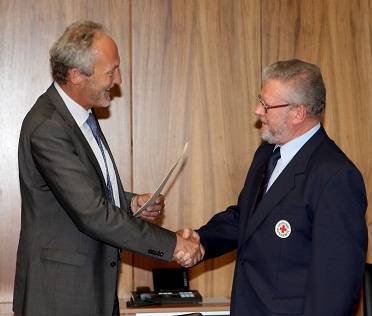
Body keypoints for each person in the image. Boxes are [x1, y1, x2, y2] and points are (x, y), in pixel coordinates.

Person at [13, 20, 203, 316]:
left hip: (91, 292)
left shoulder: (79, 118)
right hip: (60, 297)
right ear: (77, 75)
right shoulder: (49, 127)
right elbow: (92, 214)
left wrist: (130, 203)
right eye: (111, 71)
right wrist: (173, 244)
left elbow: (84, 192)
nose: (118, 80)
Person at [179, 59, 368, 315]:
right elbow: (246, 217)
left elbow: (335, 286)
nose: (257, 110)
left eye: (266, 105)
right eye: (260, 100)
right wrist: (202, 240)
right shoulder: (267, 154)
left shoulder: (335, 176)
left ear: (298, 113)